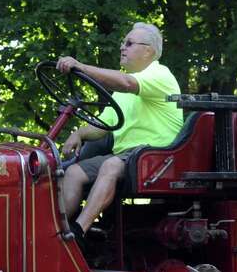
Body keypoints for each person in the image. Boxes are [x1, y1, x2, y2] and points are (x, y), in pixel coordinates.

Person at [56, 22, 183, 240]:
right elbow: (102, 127)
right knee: (74, 172)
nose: (122, 48)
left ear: (148, 51)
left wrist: (80, 67)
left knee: (111, 164)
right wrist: (78, 134)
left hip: (159, 157)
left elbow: (125, 82)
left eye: (129, 43)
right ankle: (56, 232)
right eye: (123, 43)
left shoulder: (160, 75)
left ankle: (77, 232)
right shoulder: (122, 94)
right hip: (130, 157)